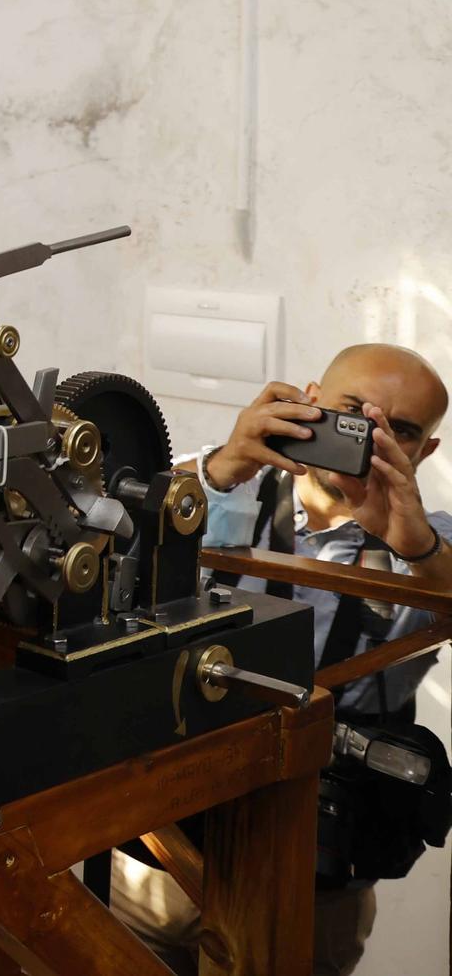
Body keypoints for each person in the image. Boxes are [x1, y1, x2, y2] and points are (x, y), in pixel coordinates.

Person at [110, 343, 452, 975]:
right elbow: (110, 551)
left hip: (315, 871)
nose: (371, 437)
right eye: (354, 413)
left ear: (425, 452)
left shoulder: (429, 544)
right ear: (310, 401)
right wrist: (224, 466)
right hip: (164, 839)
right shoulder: (213, 483)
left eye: (399, 431)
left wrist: (418, 550)